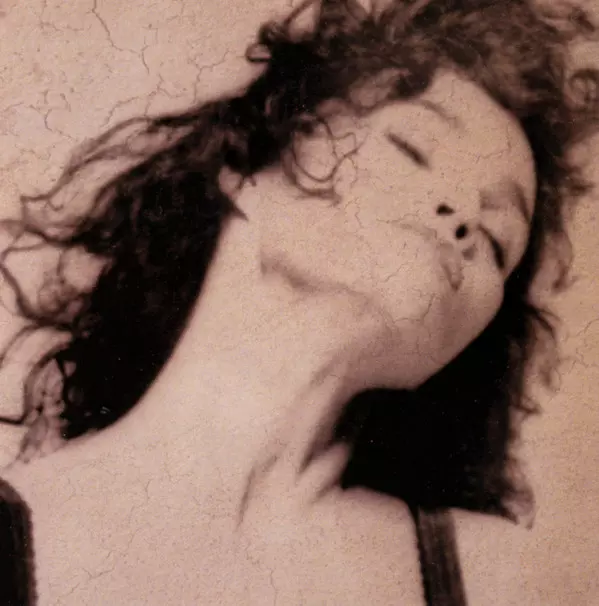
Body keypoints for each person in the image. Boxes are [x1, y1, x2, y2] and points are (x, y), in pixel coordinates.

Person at [1, 0, 598, 603]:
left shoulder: (506, 578)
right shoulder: (19, 538)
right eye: (412, 148)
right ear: (249, 161)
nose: (464, 216)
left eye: (498, 240)